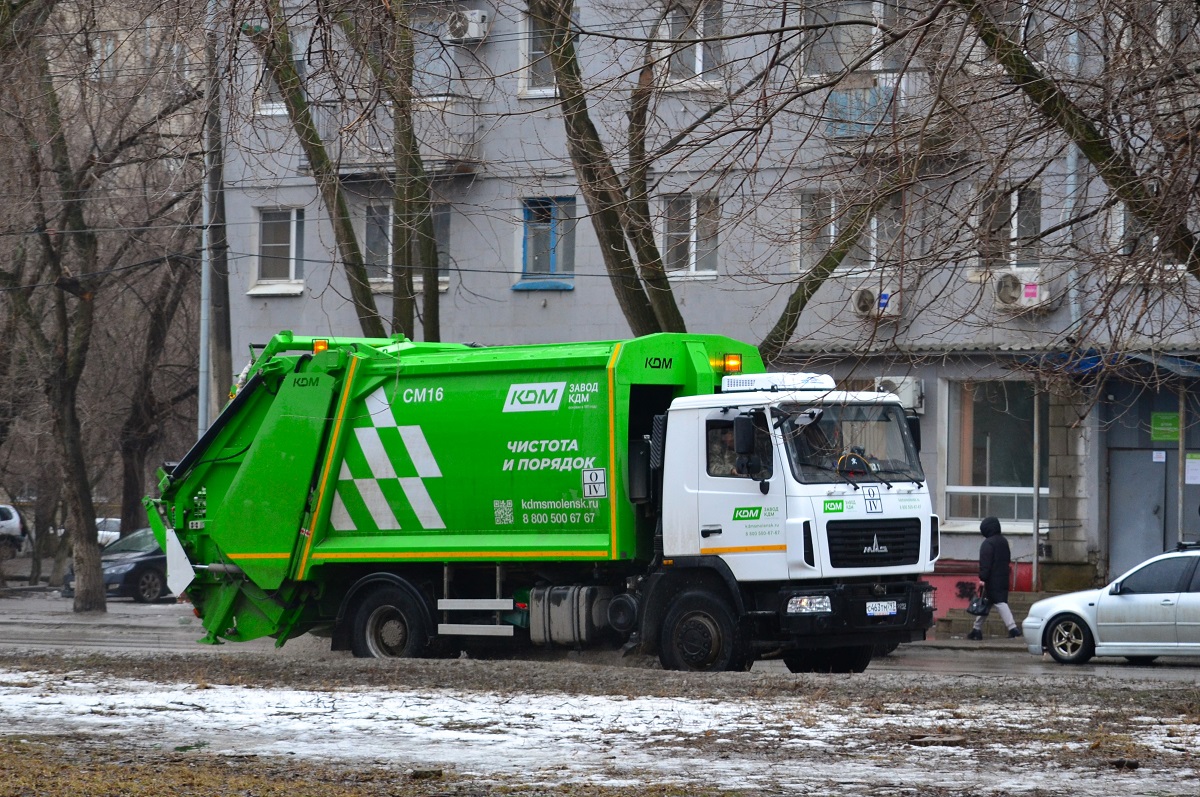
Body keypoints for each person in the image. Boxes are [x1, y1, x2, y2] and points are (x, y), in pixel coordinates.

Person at [967, 516, 1022, 640]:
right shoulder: (1003, 541)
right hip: (1003, 577)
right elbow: (1007, 559)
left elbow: (985, 563)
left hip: (992, 580)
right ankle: (976, 629)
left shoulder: (988, 543)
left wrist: (983, 578)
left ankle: (1013, 629)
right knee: (986, 603)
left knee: (999, 603)